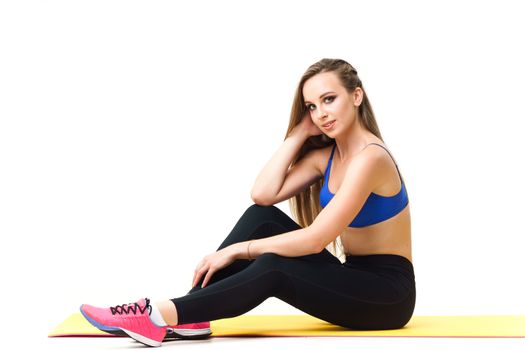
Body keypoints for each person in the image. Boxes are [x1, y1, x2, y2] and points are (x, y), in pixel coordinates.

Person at [80, 58, 416, 347]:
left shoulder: (371, 158)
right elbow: (262, 194)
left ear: (356, 96)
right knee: (262, 217)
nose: (321, 114)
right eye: (312, 107)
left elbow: (316, 238)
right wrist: (299, 133)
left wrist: (238, 250)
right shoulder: (327, 156)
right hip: (353, 276)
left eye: (329, 99)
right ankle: (191, 314)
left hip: (388, 295)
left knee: (273, 267)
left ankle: (159, 314)